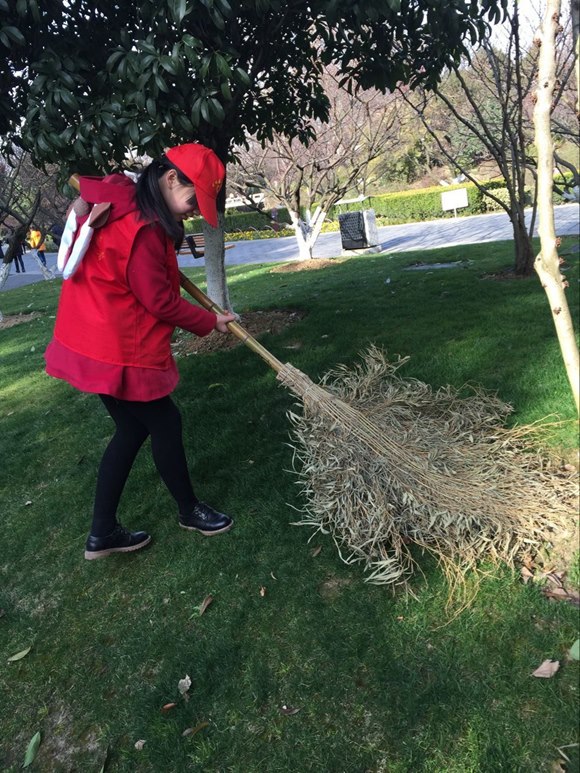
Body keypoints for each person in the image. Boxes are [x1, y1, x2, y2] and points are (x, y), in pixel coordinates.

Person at [45, 143, 237, 560]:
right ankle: (189, 511)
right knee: (165, 422)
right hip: (117, 345)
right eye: (192, 200)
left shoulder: (130, 200)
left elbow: (100, 192)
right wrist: (210, 322)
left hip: (89, 338)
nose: (191, 211)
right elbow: (160, 302)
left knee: (132, 430)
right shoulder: (146, 227)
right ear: (171, 179)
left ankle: (102, 534)